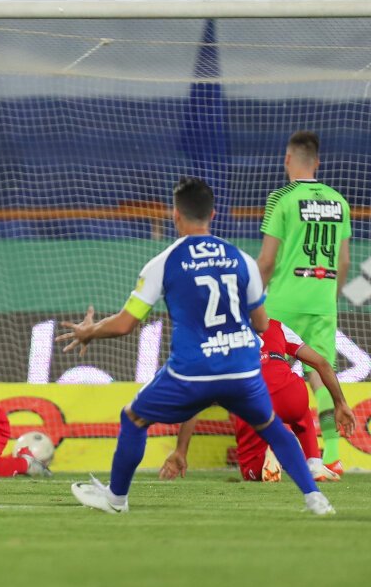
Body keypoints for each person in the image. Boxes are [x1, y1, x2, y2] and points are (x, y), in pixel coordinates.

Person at [57, 176, 336, 516]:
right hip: (241, 369)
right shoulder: (241, 260)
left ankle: (116, 500)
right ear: (213, 214)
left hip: (192, 371)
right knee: (273, 427)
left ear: (175, 214)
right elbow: (262, 324)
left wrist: (90, 332)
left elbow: (125, 324)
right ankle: (315, 498)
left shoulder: (165, 262)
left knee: (133, 417)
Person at [256, 130, 352, 476]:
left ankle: (271, 454)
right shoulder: (339, 201)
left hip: (284, 301)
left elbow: (267, 260)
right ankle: (332, 457)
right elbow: (344, 261)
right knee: (321, 374)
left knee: (271, 372)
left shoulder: (281, 198)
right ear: (317, 162)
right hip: (323, 301)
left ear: (287, 159)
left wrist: (253, 301)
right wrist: (329, 297)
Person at [160, 319, 355, 483]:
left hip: (252, 402)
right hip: (289, 393)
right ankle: (314, 463)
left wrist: (181, 451)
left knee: (252, 472)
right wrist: (340, 403)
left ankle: (274, 451)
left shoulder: (214, 337)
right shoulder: (276, 325)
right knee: (300, 409)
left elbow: (195, 402)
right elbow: (322, 363)